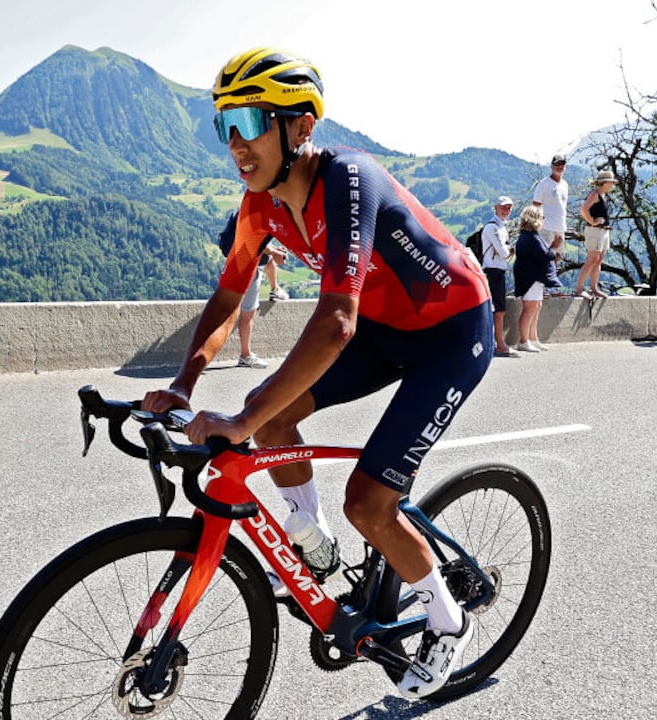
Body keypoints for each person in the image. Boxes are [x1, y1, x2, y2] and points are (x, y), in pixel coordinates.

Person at [141, 47, 492, 700]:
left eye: (249, 121)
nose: (235, 143)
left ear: (300, 126)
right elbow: (228, 295)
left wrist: (241, 420)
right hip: (384, 329)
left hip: (451, 334)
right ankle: (313, 543)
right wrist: (183, 386)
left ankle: (448, 620)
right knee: (270, 417)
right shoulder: (260, 205)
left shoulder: (350, 179)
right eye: (224, 125)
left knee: (368, 501)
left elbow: (335, 322)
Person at [216, 211, 286, 368]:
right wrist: (274, 252)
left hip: (239, 258)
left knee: (269, 262)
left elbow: (257, 240)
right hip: (247, 264)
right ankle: (245, 355)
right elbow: (252, 239)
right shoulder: (262, 212)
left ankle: (275, 289)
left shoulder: (248, 209)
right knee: (248, 313)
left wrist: (274, 250)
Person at [512, 205, 560, 352]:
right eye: (541, 217)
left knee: (536, 306)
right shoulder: (531, 237)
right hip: (530, 278)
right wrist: (554, 247)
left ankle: (533, 338)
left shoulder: (529, 236)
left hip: (533, 278)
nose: (543, 220)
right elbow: (545, 255)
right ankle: (523, 341)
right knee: (530, 308)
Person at [481, 196, 518, 356]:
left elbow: (504, 251)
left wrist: (505, 250)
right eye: (503, 207)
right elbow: (504, 252)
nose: (506, 210)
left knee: (499, 308)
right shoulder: (492, 228)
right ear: (495, 207)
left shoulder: (502, 227)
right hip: (493, 270)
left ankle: (496, 343)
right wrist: (507, 250)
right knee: (498, 309)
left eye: (509, 207)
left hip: (498, 270)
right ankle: (500, 345)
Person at [574, 169, 617, 299]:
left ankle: (594, 288)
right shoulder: (595, 195)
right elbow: (583, 210)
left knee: (598, 260)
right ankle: (579, 289)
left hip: (603, 231)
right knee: (592, 259)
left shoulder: (602, 195)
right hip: (595, 231)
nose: (612, 185)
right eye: (611, 182)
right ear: (605, 183)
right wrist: (592, 221)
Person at [531, 154, 569, 259]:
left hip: (560, 227)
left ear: (565, 167)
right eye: (557, 164)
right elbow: (535, 206)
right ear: (551, 166)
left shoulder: (565, 185)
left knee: (557, 257)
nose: (559, 167)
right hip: (546, 227)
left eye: (562, 164)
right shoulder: (544, 184)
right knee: (544, 257)